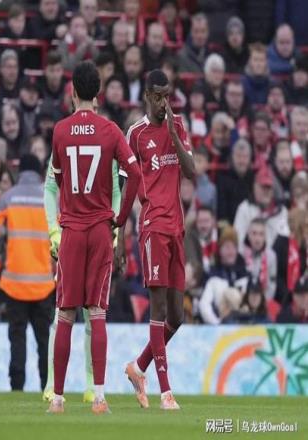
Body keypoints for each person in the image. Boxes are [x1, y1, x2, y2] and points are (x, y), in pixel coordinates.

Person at [47, 61, 141, 414]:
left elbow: (58, 180)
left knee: (65, 314)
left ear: (73, 92)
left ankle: (58, 399)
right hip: (101, 230)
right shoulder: (111, 130)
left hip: (71, 231)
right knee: (97, 313)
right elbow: (134, 173)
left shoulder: (60, 131)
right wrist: (120, 217)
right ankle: (99, 397)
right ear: (98, 94)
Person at [123, 69, 195, 410]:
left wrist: (173, 134)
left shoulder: (177, 125)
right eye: (158, 96)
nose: (163, 102)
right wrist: (120, 232)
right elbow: (128, 184)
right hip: (153, 226)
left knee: (177, 316)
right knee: (158, 308)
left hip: (177, 229)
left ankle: (138, 367)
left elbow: (192, 171)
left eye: (167, 95)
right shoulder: (135, 134)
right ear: (147, 97)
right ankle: (165, 392)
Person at [42, 102, 122, 404]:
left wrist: (57, 230)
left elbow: (52, 188)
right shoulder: (105, 134)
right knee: (82, 312)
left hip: (78, 230)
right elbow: (51, 189)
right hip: (87, 230)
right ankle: (56, 384)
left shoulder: (62, 132)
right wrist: (54, 231)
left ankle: (83, 387)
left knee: (72, 312)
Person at [0, 154, 54, 392]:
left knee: (17, 339)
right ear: (39, 173)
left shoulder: (8, 199)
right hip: (44, 285)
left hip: (14, 284)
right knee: (44, 341)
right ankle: (48, 388)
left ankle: (17, 388)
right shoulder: (49, 200)